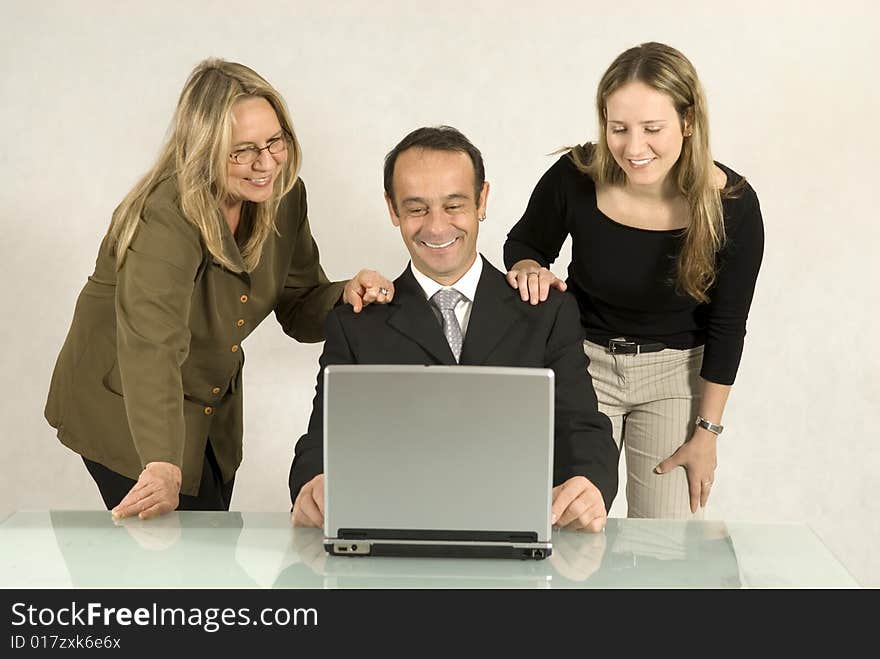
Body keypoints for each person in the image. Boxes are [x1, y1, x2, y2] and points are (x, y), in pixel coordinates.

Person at [44, 58, 394, 520]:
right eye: (241, 151)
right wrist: (162, 464)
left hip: (207, 404)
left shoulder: (284, 196)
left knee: (204, 552)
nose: (265, 163)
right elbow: (152, 346)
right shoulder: (165, 216)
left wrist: (344, 293)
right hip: (128, 403)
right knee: (169, 564)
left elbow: (299, 303)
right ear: (204, 148)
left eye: (275, 141)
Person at [289, 126, 619, 532]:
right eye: (416, 209)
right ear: (393, 210)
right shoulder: (355, 321)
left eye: (453, 205)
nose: (437, 228)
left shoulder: (545, 311)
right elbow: (321, 439)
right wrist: (312, 483)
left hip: (518, 537)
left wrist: (590, 484)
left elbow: (582, 427)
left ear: (482, 200)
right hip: (391, 538)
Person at [504, 42, 764, 519]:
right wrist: (526, 268)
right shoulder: (575, 176)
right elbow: (525, 244)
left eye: (652, 129)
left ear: (687, 122)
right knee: (568, 524)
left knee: (663, 546)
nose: (633, 147)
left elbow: (728, 327)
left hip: (674, 375)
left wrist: (706, 434)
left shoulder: (734, 206)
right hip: (579, 364)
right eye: (618, 129)